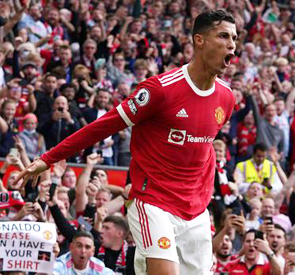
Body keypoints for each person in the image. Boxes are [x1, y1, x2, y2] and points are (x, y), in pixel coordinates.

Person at [16, 10, 237, 274]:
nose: (232, 44)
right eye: (223, 36)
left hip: (197, 209)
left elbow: (203, 147)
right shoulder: (160, 90)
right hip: (153, 202)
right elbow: (103, 125)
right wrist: (47, 159)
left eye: (234, 37)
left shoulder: (226, 97)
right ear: (199, 40)